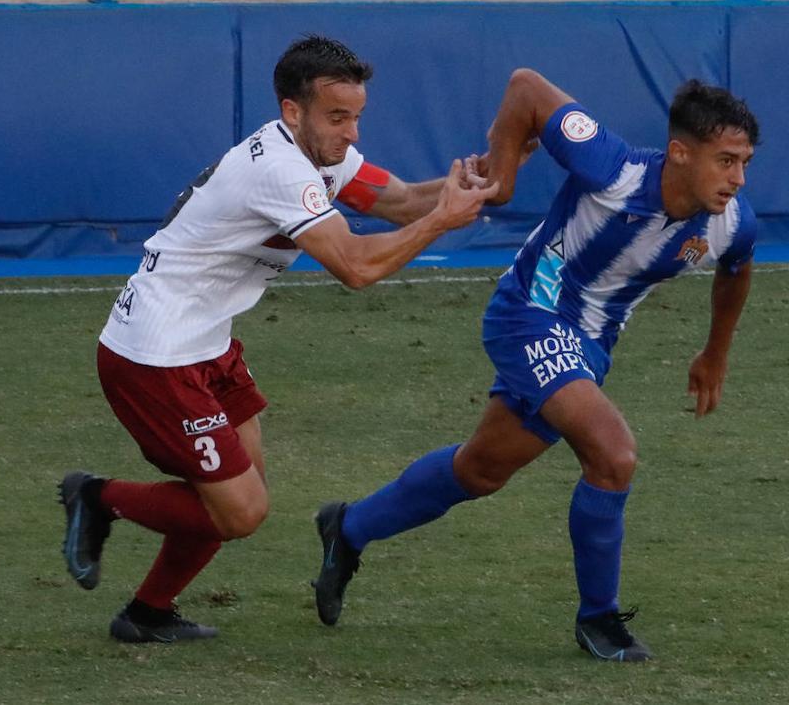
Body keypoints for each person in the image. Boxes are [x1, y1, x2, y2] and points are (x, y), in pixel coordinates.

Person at [58, 34, 500, 643]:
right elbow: (356, 267)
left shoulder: (320, 154)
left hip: (206, 343)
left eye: (356, 117)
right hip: (154, 355)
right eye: (337, 117)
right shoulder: (280, 170)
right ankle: (97, 496)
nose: (351, 133)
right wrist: (442, 219)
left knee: (241, 495)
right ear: (293, 111)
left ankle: (147, 612)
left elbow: (399, 201)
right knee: (240, 512)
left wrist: (461, 186)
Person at [310, 69, 760, 662]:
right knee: (613, 453)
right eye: (725, 160)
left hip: (589, 347)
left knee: (481, 471)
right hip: (530, 314)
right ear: (680, 152)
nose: (737, 178)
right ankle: (599, 621)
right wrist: (501, 179)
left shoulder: (730, 223)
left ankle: (348, 528)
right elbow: (524, 87)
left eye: (745, 162)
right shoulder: (613, 168)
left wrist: (715, 353)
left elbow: (736, 270)